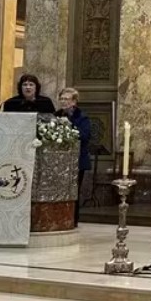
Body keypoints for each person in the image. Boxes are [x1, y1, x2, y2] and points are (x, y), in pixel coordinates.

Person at [56, 87, 92, 225]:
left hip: (76, 160)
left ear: (74, 101)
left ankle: (72, 219)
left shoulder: (82, 117)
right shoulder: (56, 115)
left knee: (73, 190)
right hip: (58, 160)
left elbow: (85, 136)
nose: (63, 102)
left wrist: (69, 126)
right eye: (61, 99)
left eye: (67, 99)